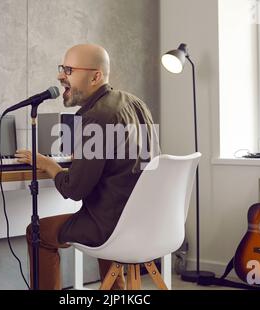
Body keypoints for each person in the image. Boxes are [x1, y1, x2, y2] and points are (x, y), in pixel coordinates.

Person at [15, 44, 157, 290]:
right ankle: (116, 290)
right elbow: (133, 163)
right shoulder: (136, 104)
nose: (60, 76)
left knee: (36, 233)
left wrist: (47, 163)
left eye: (68, 70)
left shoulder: (97, 116)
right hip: (146, 223)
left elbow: (74, 190)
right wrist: (85, 157)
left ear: (95, 76)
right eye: (62, 69)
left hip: (111, 228)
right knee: (105, 208)